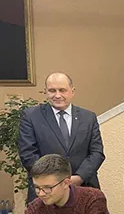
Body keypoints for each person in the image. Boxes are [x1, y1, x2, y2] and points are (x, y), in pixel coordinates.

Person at [18, 72, 105, 203]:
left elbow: (97, 152)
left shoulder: (89, 117)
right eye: (52, 90)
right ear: (46, 91)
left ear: (72, 91)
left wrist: (80, 177)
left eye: (62, 90)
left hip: (84, 188)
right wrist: (55, 182)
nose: (57, 95)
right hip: (45, 193)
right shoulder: (31, 116)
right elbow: (28, 154)